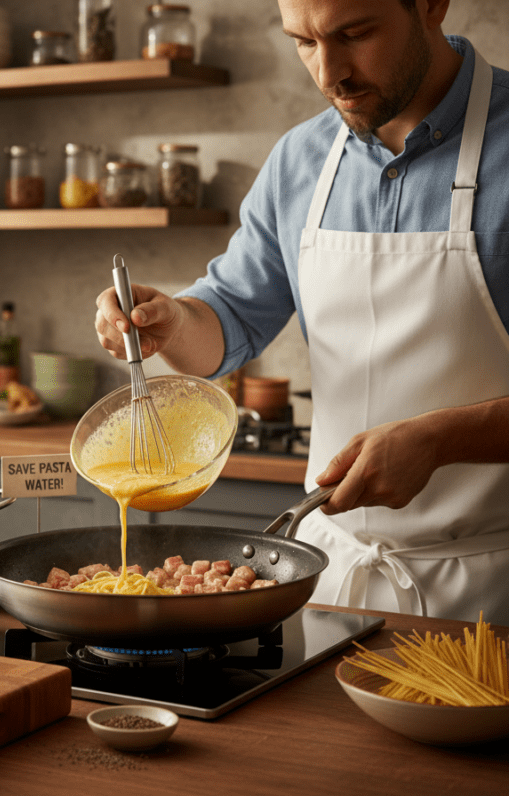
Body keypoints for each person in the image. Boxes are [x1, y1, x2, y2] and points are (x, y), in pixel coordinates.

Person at [94, 0, 509, 625]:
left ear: (430, 5)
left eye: (354, 33)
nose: (328, 73)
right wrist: (172, 322)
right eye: (304, 42)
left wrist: (440, 439)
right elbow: (227, 321)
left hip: (489, 593)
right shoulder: (300, 160)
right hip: (331, 582)